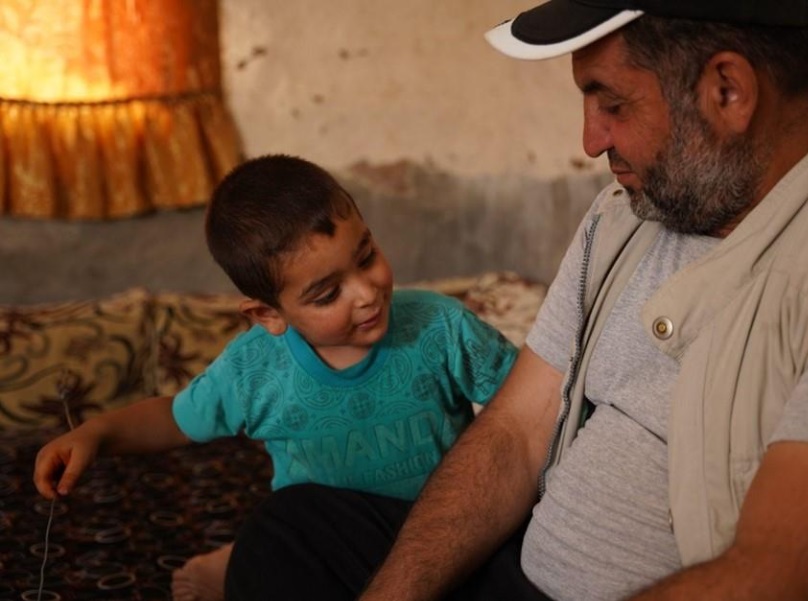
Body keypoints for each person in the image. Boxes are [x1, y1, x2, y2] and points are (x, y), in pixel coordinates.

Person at [223, 1, 808, 600]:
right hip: (517, 564)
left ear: (727, 90)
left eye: (611, 103)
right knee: (292, 533)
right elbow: (516, 431)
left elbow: (784, 576)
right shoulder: (633, 208)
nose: (588, 142)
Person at [32, 155, 519, 601]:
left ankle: (233, 560)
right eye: (328, 294)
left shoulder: (441, 328)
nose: (367, 294)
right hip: (328, 544)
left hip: (444, 536)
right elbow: (177, 419)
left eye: (366, 255)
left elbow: (532, 406)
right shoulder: (253, 370)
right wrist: (96, 433)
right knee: (276, 554)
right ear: (268, 314)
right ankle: (236, 562)